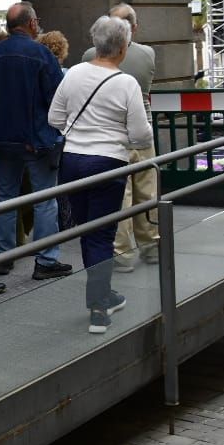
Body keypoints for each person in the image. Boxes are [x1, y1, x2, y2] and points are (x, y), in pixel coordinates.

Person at [51, 17, 152, 334]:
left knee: (88, 231)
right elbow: (141, 134)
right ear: (123, 48)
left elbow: (55, 117)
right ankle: (98, 307)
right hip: (107, 162)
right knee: (102, 234)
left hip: (72, 161)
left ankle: (104, 293)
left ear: (96, 43)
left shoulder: (75, 73)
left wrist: (78, 131)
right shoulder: (126, 83)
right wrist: (122, 136)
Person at [0, 3, 71, 281]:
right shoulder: (41, 54)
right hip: (37, 140)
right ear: (31, 24)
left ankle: (4, 257)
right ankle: (46, 259)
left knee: (6, 198)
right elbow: (56, 99)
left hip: (2, 141)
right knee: (44, 199)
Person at [80, 3, 158, 271]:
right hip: (143, 133)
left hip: (110, 137)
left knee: (120, 196)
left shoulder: (89, 56)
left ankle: (123, 255)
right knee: (147, 192)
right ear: (133, 27)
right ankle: (151, 246)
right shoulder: (148, 54)